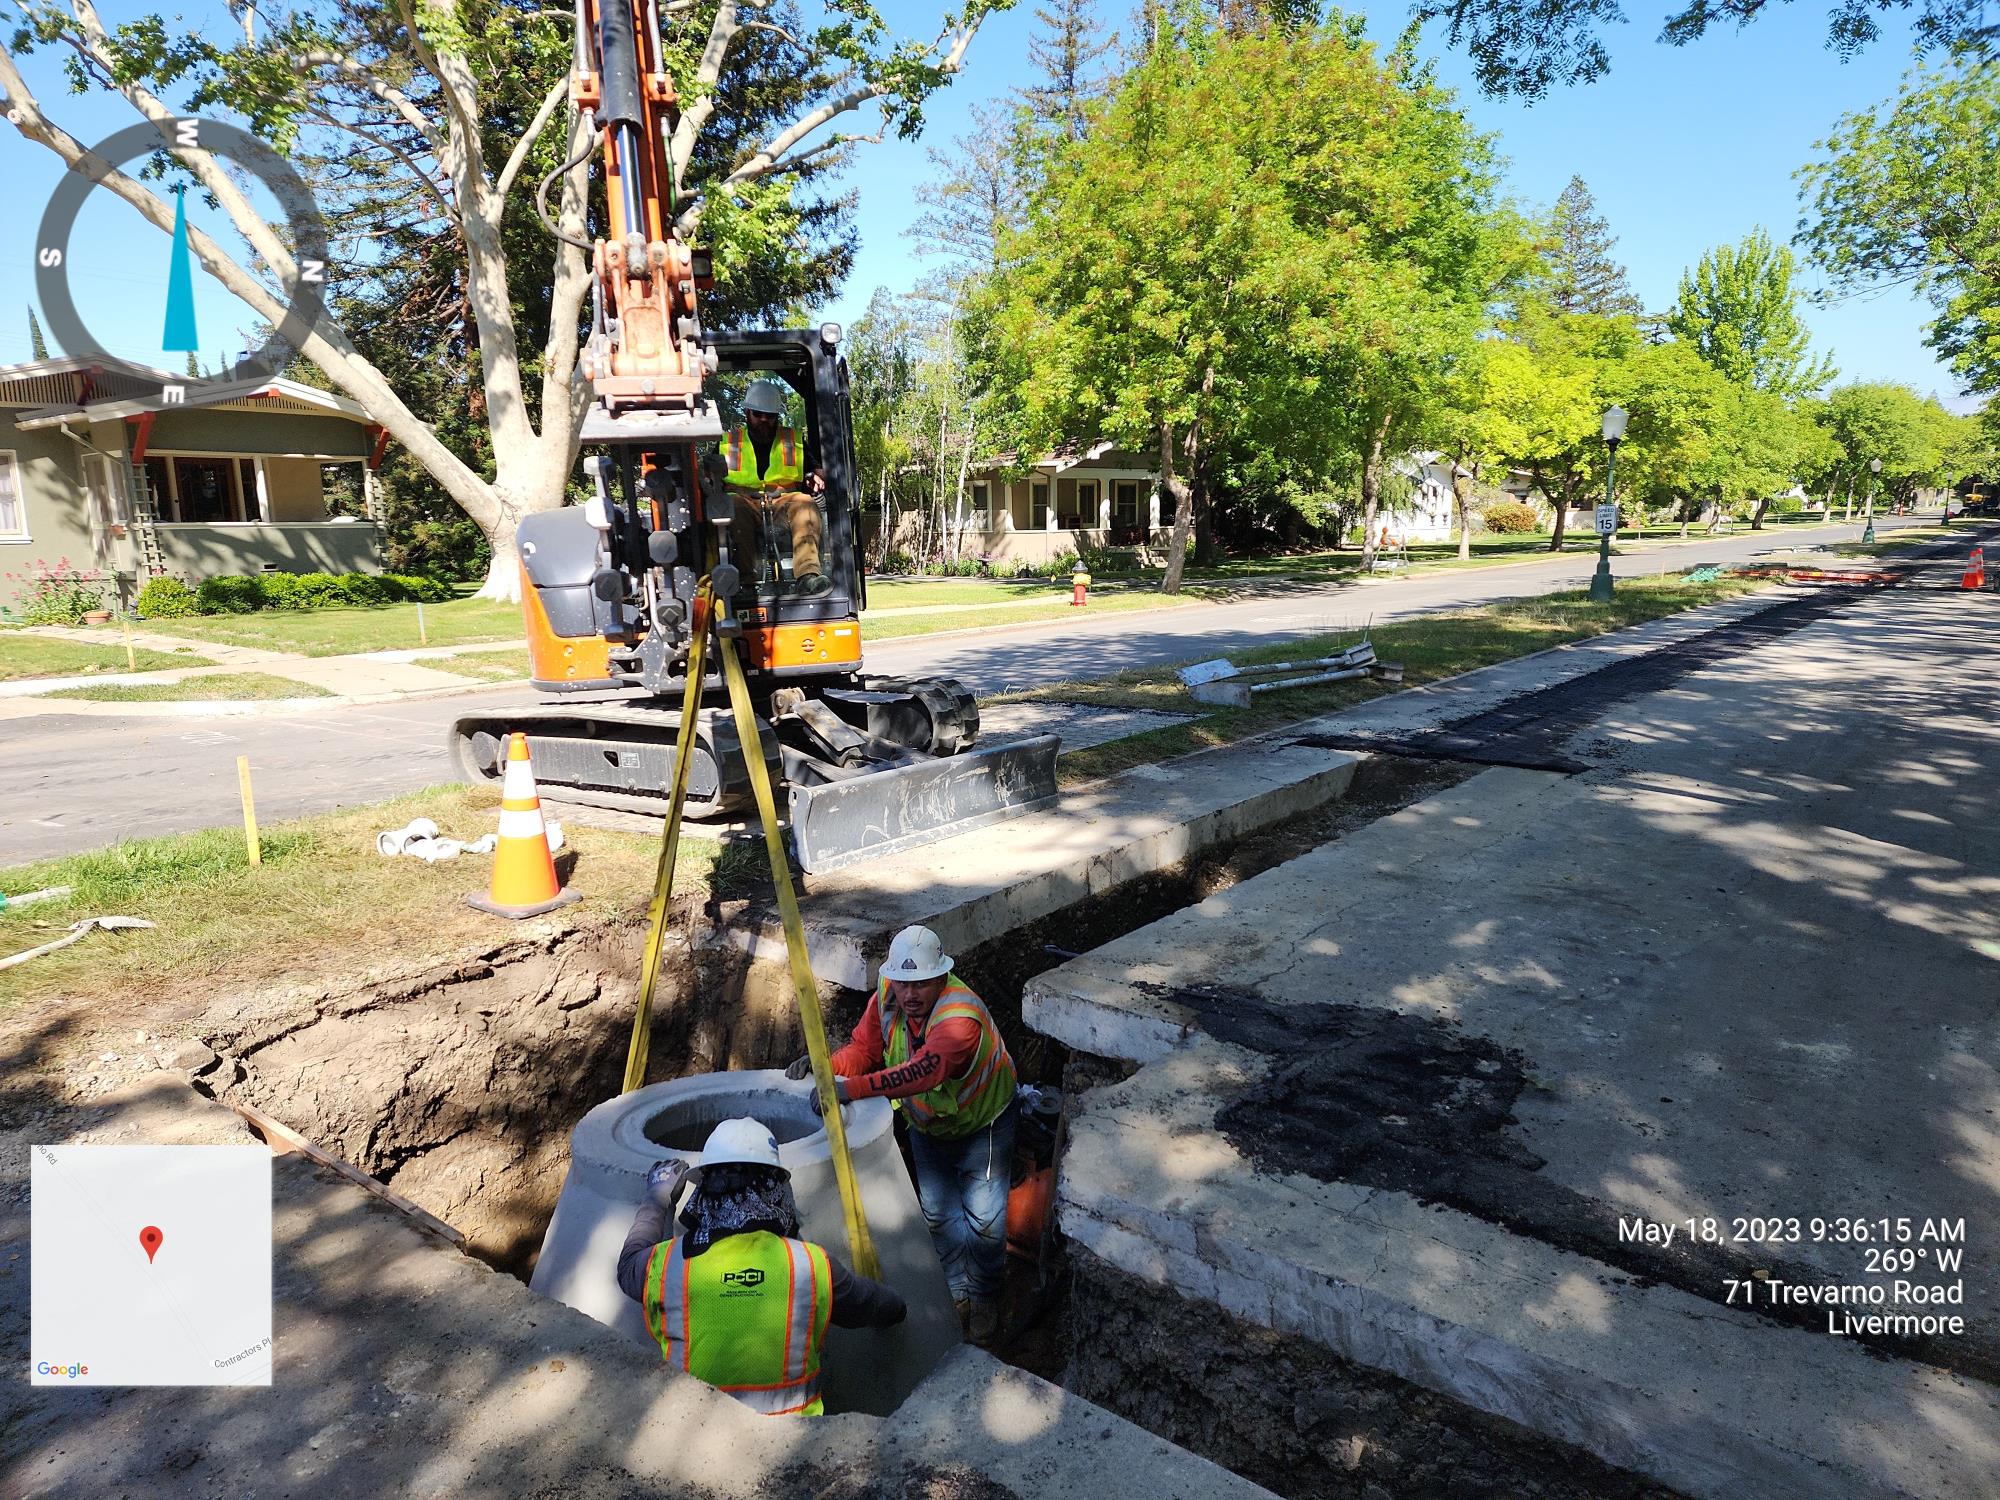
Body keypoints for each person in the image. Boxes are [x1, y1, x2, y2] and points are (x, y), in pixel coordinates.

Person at [788, 924, 1017, 1347]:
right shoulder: (887, 1000)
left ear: (941, 978)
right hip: (928, 1126)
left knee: (984, 1219)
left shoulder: (958, 1018)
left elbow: (924, 1070)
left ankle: (986, 1295)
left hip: (979, 1125)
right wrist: (828, 1066)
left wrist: (850, 1089)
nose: (910, 994)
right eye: (903, 982)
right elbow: (864, 1051)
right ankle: (956, 1293)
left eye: (922, 984)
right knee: (936, 1213)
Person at [616, 1116, 905, 1416]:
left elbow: (628, 1268)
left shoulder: (668, 1265)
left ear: (706, 1191)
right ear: (774, 1189)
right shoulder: (809, 1264)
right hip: (793, 1446)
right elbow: (870, 1304)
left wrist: (657, 1200)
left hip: (695, 1443)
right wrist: (899, 1308)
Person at [723, 378, 831, 597]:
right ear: (747, 413)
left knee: (805, 503)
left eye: (770, 416)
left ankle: (807, 576)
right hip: (744, 502)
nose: (764, 420)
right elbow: (710, 477)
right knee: (733, 506)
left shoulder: (793, 440)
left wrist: (814, 476)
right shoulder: (728, 442)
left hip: (783, 502)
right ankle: (745, 583)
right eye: (758, 414)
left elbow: (816, 470)